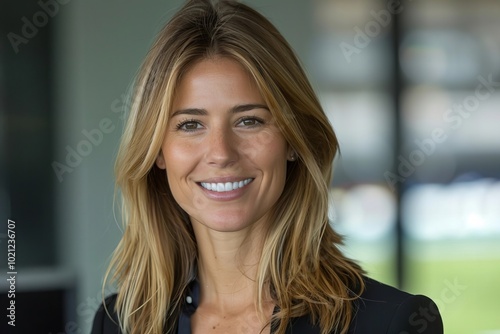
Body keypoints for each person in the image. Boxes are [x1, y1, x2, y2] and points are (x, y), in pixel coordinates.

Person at [91, 0, 443, 333]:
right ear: (158, 151)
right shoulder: (119, 323)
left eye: (249, 121)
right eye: (190, 125)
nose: (221, 153)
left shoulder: (389, 323)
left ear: (292, 139)